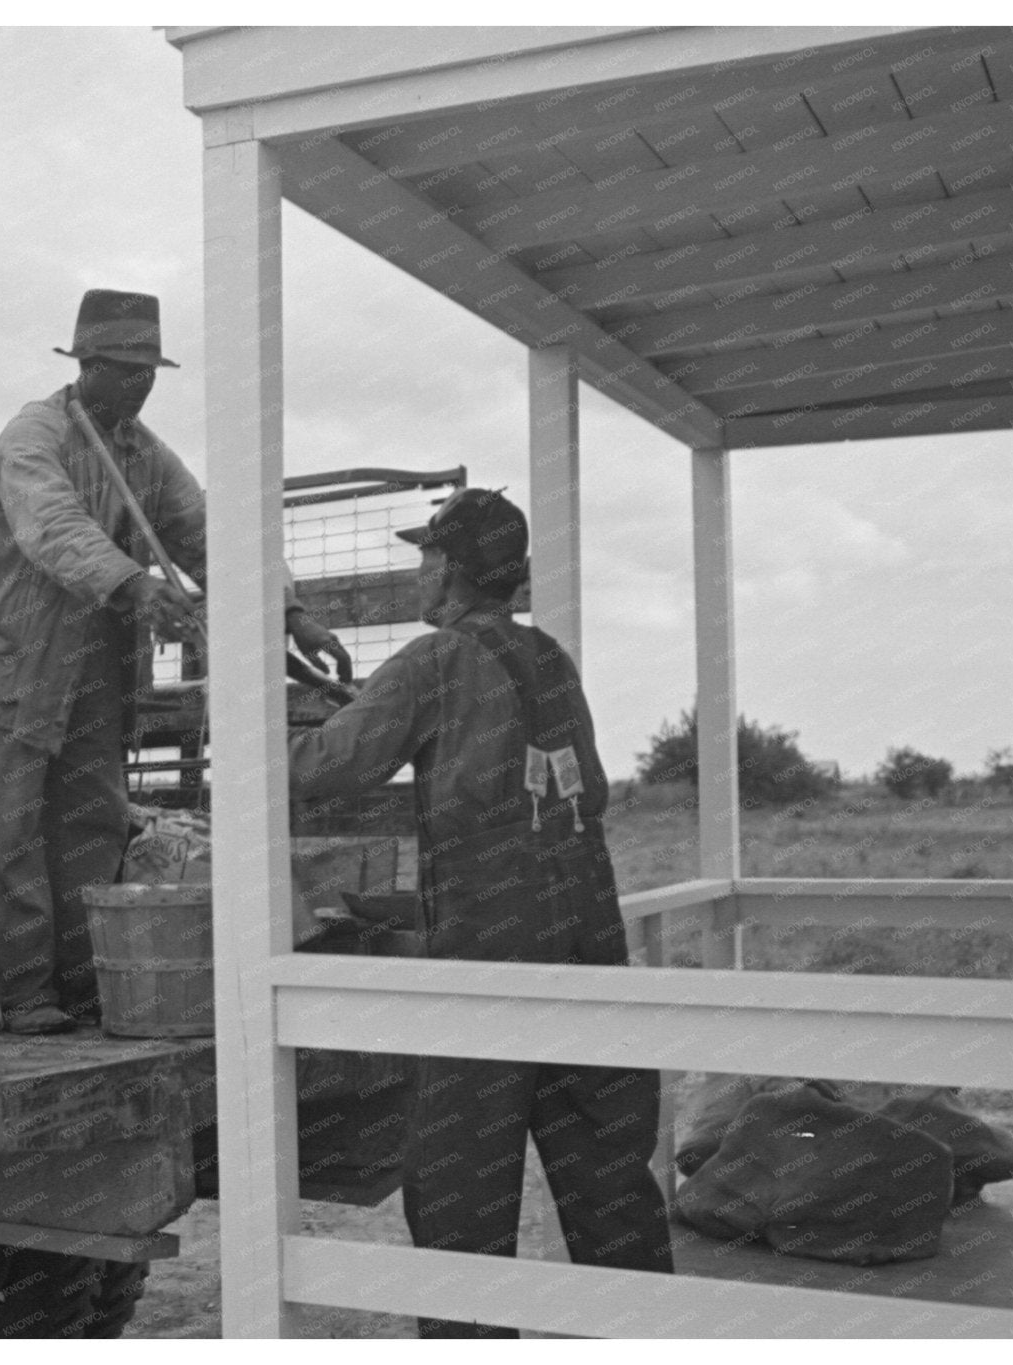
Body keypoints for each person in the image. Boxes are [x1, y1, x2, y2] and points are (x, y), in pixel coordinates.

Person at [287, 487, 674, 1336]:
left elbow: (327, 767)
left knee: (458, 1195)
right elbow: (590, 788)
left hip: (488, 960)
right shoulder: (550, 658)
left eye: (428, 555)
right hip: (588, 941)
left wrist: (277, 734)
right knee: (610, 1184)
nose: (420, 570)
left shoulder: (434, 661)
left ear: (456, 571)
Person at [0, 288, 350, 1035]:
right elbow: (53, 529)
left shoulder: (144, 451)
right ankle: (21, 993)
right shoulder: (31, 437)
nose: (141, 384)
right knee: (11, 831)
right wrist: (134, 585)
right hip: (18, 668)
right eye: (127, 368)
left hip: (96, 672)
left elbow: (214, 534)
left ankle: (85, 983)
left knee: (92, 825)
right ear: (88, 365)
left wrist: (290, 611)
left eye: (150, 370)